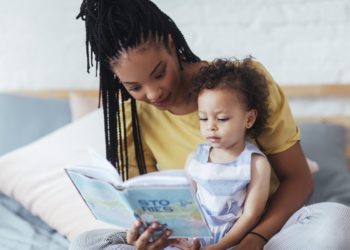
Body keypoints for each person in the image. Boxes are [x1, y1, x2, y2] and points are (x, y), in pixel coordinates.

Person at [70, 0, 350, 249]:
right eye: (135, 87)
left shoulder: (241, 85)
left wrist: (255, 239)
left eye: (159, 73)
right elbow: (145, 209)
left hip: (265, 233)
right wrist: (145, 235)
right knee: (85, 243)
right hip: (189, 242)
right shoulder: (131, 120)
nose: (153, 94)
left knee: (337, 223)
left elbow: (298, 179)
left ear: (170, 44)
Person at [170, 58, 272, 250]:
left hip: (234, 241)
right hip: (196, 240)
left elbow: (252, 215)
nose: (211, 126)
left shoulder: (255, 163)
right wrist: (185, 241)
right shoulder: (194, 159)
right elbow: (187, 206)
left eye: (222, 118)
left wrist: (220, 246)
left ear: (249, 119)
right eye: (203, 118)